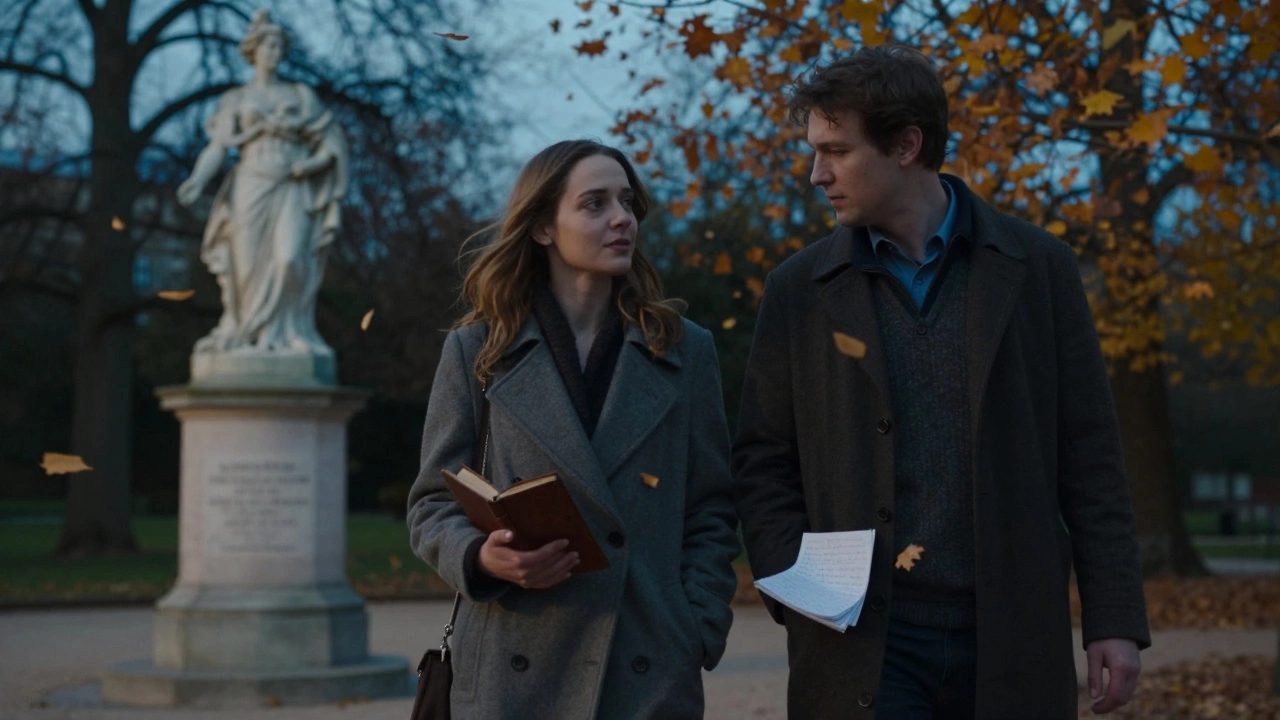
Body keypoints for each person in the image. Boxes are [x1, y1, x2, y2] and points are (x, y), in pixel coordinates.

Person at [732, 44, 1150, 719]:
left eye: (836, 150)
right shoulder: (798, 290)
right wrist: (800, 592)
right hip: (863, 641)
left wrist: (1115, 617)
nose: (816, 174)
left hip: (1011, 634)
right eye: (815, 150)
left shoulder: (1039, 268)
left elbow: (1091, 456)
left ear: (905, 145)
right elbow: (761, 461)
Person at [407, 140, 740, 720]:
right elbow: (432, 503)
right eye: (594, 204)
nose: (621, 219)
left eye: (627, 202)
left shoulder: (685, 350)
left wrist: (696, 628)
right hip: (513, 663)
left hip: (647, 666)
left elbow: (710, 508)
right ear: (542, 227)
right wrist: (482, 558)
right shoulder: (479, 351)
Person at [176, 9, 347, 358]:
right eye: (268, 45)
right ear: (253, 50)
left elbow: (331, 142)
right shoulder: (235, 99)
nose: (274, 52)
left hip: (292, 186)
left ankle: (291, 332)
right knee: (246, 269)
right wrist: (197, 180)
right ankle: (247, 336)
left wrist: (310, 163)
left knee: (290, 260)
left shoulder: (300, 95)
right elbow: (218, 147)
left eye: (279, 46)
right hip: (250, 184)